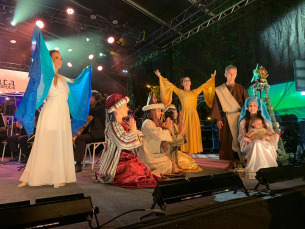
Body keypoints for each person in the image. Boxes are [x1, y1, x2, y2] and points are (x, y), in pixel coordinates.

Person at [15, 26, 92, 188]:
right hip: (50, 113)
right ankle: (32, 176)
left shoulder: (64, 78)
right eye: (57, 57)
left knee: (59, 143)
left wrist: (86, 73)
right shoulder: (45, 78)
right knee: (46, 143)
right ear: (50, 60)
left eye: (61, 58)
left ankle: (59, 174)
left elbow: (78, 86)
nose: (60, 60)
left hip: (62, 113)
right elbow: (33, 94)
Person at [98, 94, 161, 189]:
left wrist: (134, 131)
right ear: (117, 109)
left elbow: (138, 137)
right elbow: (124, 142)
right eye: (125, 106)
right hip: (118, 163)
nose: (127, 109)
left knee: (146, 173)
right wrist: (133, 131)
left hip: (130, 159)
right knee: (140, 176)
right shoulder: (112, 125)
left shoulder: (123, 123)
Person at [155, 69, 215, 155]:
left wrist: (212, 77)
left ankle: (191, 154)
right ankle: (185, 154)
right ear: (182, 83)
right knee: (185, 133)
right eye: (185, 81)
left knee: (193, 134)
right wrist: (160, 77)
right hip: (185, 115)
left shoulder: (195, 92)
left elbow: (204, 85)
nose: (187, 82)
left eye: (188, 80)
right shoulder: (180, 92)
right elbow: (170, 85)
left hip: (194, 115)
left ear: (190, 82)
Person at [138, 91, 185, 178]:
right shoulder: (147, 123)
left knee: (170, 163)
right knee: (169, 165)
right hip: (149, 156)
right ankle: (150, 175)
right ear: (153, 111)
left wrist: (166, 129)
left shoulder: (154, 123)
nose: (161, 113)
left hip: (155, 154)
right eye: (159, 111)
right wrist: (168, 129)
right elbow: (161, 135)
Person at [211, 65, 249, 170]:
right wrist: (218, 119)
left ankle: (240, 161)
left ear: (236, 74)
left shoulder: (240, 88)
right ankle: (231, 163)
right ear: (225, 75)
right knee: (227, 141)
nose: (231, 76)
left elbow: (247, 103)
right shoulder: (219, 90)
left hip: (239, 118)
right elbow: (216, 105)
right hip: (226, 119)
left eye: (233, 73)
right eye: (229, 74)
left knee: (239, 139)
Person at [238, 96, 278, 172]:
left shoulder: (265, 121)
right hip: (252, 142)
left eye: (254, 105)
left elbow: (271, 132)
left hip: (265, 139)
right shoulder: (243, 122)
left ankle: (269, 167)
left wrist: (272, 135)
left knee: (263, 143)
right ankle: (256, 168)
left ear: (258, 107)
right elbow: (241, 136)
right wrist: (247, 137)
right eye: (250, 105)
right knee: (257, 143)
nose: (252, 107)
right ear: (247, 107)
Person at [162, 104, 203, 172]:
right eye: (175, 112)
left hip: (175, 152)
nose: (177, 113)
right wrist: (182, 132)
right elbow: (171, 140)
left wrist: (182, 132)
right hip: (169, 154)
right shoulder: (167, 124)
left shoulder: (173, 124)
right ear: (170, 113)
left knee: (192, 162)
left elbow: (179, 140)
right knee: (191, 164)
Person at [74, 90, 106, 172]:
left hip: (99, 134)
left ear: (94, 98)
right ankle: (74, 161)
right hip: (91, 134)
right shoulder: (91, 107)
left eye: (89, 97)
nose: (87, 99)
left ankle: (78, 164)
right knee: (76, 137)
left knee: (80, 138)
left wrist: (82, 107)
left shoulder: (101, 107)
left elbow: (92, 111)